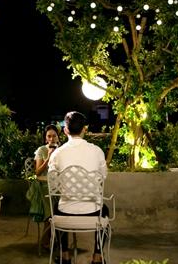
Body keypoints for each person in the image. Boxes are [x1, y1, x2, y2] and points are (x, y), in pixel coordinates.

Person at [48, 111, 108, 264]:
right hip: (93, 211)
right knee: (105, 209)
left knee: (56, 207)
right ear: (84, 129)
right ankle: (97, 256)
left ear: (65, 130)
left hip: (65, 211)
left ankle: (65, 255)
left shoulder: (57, 154)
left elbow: (52, 183)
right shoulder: (97, 151)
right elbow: (103, 177)